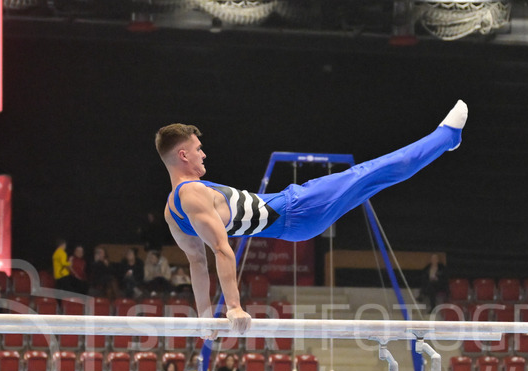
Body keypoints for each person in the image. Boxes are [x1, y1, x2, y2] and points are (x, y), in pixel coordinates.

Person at [157, 100, 468, 333]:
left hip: (294, 222)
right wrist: (234, 308)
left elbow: (197, 263)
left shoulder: (172, 213)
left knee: (372, 179)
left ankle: (443, 141)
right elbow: (221, 251)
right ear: (183, 155)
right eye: (198, 148)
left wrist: (203, 317)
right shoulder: (191, 193)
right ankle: (446, 137)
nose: (204, 153)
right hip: (298, 207)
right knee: (371, 171)